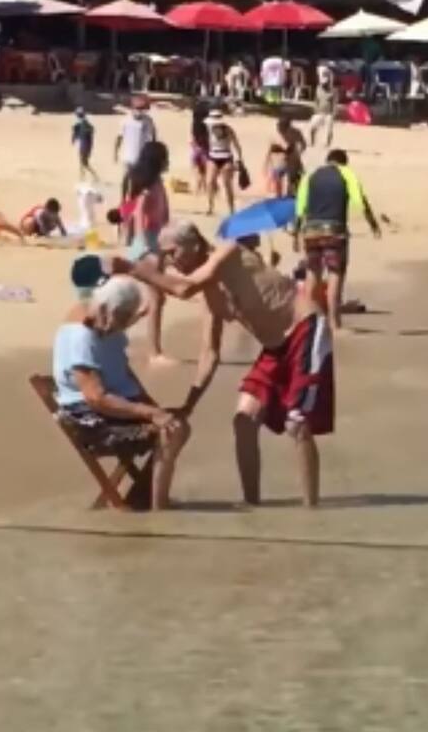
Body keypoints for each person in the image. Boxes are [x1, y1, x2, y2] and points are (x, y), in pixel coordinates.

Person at [116, 220, 331, 507]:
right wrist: (188, 405)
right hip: (274, 348)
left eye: (172, 252)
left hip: (304, 328)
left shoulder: (228, 252)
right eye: (164, 256)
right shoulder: (209, 294)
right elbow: (210, 354)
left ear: (195, 243)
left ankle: (311, 511)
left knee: (297, 423)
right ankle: (252, 505)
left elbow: (183, 289)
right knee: (243, 420)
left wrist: (134, 269)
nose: (169, 261)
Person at [52, 276, 191, 510]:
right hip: (89, 416)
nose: (125, 325)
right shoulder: (83, 336)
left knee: (177, 424)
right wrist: (149, 413)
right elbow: (95, 398)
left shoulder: (104, 319)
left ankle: (149, 498)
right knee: (172, 431)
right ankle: (160, 509)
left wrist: (152, 406)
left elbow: (123, 370)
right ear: (110, 310)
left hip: (115, 403)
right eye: (123, 319)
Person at [293, 149, 383, 332]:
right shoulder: (346, 173)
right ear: (343, 162)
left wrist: (296, 233)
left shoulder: (310, 176)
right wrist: (373, 224)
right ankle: (334, 323)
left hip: (311, 232)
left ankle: (307, 323)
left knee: (312, 274)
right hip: (334, 231)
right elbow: (360, 201)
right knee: (335, 275)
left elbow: (300, 207)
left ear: (327, 161)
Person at [120, 141, 172, 365]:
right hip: (147, 242)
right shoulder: (148, 188)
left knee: (156, 299)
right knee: (156, 298)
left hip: (156, 239)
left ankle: (117, 331)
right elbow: (138, 214)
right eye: (165, 158)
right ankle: (154, 353)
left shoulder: (157, 182)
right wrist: (144, 247)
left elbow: (165, 213)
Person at [114, 95, 157, 198]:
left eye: (143, 109)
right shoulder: (125, 121)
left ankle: (133, 202)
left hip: (142, 156)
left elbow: (153, 136)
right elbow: (119, 138)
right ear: (133, 108)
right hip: (128, 156)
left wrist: (153, 152)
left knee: (136, 181)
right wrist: (115, 152)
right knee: (126, 177)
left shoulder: (148, 121)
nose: (141, 111)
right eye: (139, 108)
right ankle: (123, 199)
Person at [204, 109, 244, 216]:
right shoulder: (209, 129)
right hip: (213, 156)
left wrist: (239, 159)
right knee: (209, 182)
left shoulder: (228, 130)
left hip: (226, 157)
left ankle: (231, 209)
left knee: (227, 184)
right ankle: (210, 206)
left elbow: (236, 145)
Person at [272, 117, 307, 197]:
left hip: (291, 161)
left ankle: (282, 197)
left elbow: (301, 145)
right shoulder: (295, 132)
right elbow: (303, 145)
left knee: (289, 180)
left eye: (279, 126)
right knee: (283, 178)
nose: (278, 128)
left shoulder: (289, 133)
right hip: (291, 160)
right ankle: (284, 196)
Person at [71, 108, 99, 182]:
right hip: (87, 145)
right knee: (83, 162)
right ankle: (83, 177)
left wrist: (74, 140)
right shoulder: (86, 123)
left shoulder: (80, 123)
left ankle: (92, 176)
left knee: (83, 162)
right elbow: (91, 132)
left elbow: (75, 134)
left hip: (84, 145)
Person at [310, 73, 337, 148]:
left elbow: (334, 103)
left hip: (328, 113)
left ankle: (327, 145)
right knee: (312, 128)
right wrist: (315, 108)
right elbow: (316, 99)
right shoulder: (318, 89)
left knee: (329, 130)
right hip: (319, 112)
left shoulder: (333, 91)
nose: (324, 84)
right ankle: (312, 142)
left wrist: (333, 113)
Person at [189, 102, 210, 196]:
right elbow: (207, 139)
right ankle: (202, 190)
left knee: (199, 172)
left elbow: (193, 139)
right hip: (204, 151)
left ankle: (199, 191)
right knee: (204, 173)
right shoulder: (206, 125)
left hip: (195, 151)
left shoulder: (194, 124)